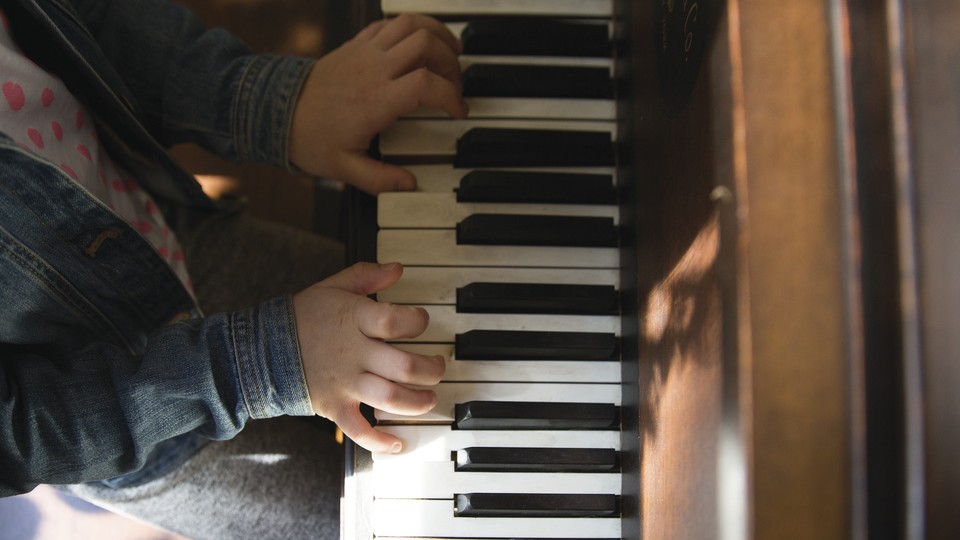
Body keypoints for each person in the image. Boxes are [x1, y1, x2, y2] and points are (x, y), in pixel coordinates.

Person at [0, 0, 466, 537]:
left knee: (438, 331)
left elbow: (88, 22)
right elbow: (20, 434)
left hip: (161, 235)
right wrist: (264, 362)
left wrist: (273, 105)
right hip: (147, 426)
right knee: (408, 521)